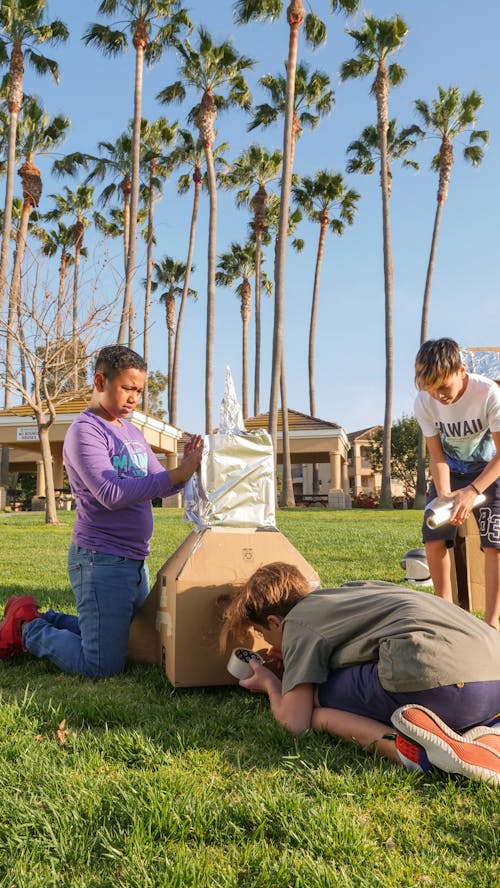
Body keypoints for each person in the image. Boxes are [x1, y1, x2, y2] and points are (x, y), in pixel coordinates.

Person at [0, 344, 204, 677]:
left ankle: (42, 617)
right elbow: (109, 492)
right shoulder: (85, 431)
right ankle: (27, 632)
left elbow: (163, 483)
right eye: (127, 388)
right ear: (100, 381)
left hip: (134, 561)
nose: (134, 397)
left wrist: (188, 468)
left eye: (139, 390)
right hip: (100, 559)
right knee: (101, 665)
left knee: (131, 639)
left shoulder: (133, 433)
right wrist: (177, 474)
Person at [220, 562, 500, 785]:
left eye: (262, 634)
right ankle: (485, 735)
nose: (268, 644)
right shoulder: (351, 592)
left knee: (316, 708)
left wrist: (270, 683)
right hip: (491, 679)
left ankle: (406, 752)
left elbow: (295, 723)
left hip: (441, 681)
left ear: (274, 621)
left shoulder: (296, 623)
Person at [414, 338, 500, 629]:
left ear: (462, 370)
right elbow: (436, 455)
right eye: (431, 389)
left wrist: (473, 490)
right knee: (433, 534)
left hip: (490, 471)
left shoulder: (488, 393)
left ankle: (491, 626)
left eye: (444, 387)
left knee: (495, 545)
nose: (438, 396)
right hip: (451, 472)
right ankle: (446, 617)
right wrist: (446, 494)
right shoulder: (424, 401)